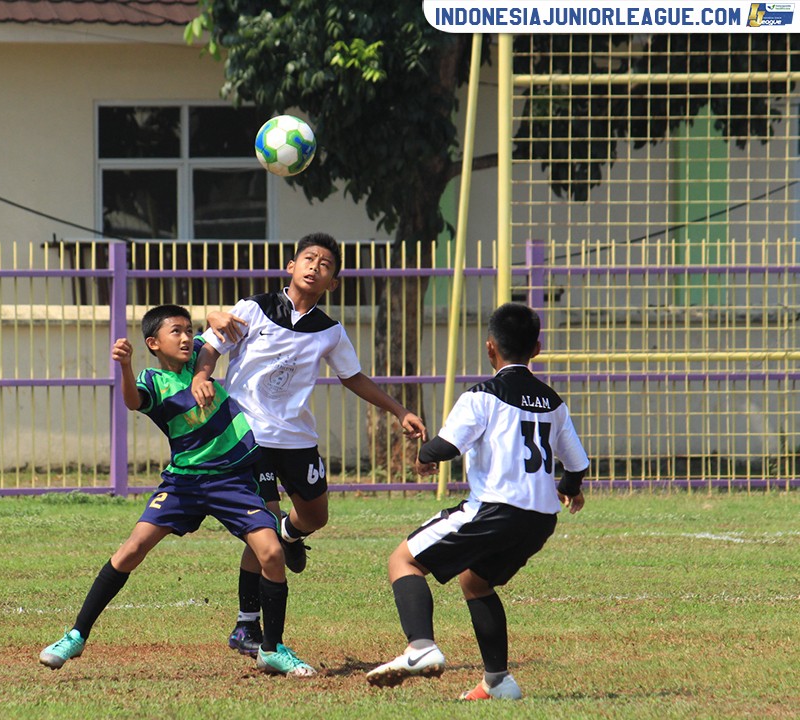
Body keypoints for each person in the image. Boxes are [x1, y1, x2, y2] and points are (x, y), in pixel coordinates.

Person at [39, 304, 315, 678]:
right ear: (153, 343)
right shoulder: (152, 380)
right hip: (183, 482)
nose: (186, 337)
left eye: (188, 330)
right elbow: (133, 401)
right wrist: (123, 365)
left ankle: (273, 648)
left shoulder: (200, 355)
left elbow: (218, 327)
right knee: (131, 550)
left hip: (232, 479)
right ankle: (75, 636)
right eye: (176, 332)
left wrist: (215, 316)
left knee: (270, 552)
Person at [190, 232, 429, 657]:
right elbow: (210, 346)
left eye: (325, 264)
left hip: (297, 438)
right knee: (261, 527)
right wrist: (202, 375)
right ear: (291, 266)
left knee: (315, 516)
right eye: (308, 258)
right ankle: (247, 624)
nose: (315, 265)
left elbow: (353, 377)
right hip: (250, 435)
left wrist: (398, 410)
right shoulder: (254, 308)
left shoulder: (329, 331)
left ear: (332, 283)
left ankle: (290, 535)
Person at [365, 302, 589, 700]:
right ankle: (499, 681)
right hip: (540, 519)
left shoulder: (483, 395)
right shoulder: (554, 402)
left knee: (403, 560)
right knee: (476, 581)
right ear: (536, 349)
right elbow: (575, 465)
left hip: (495, 508)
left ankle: (420, 647)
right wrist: (570, 488)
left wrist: (421, 456)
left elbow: (447, 446)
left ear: (490, 349)